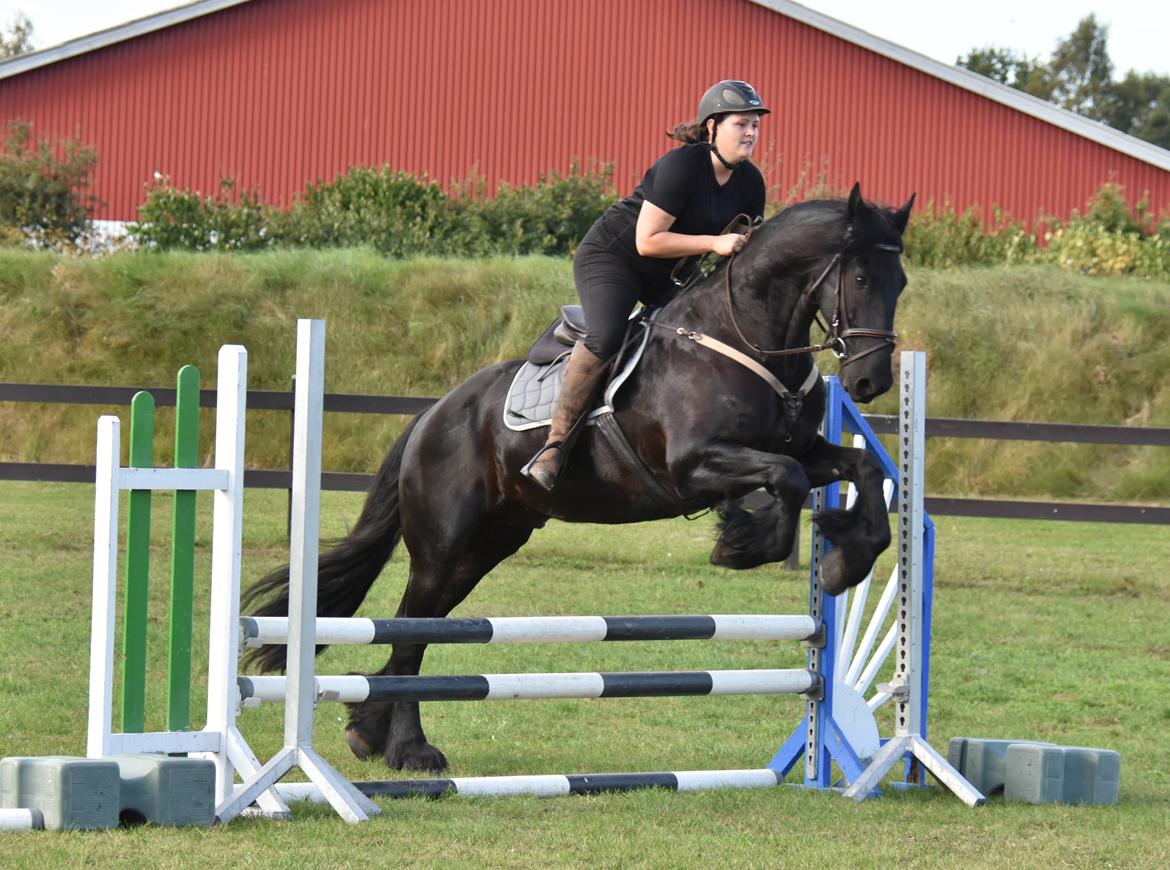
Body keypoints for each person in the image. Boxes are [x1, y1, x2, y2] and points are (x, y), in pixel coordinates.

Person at [522, 79, 770, 491]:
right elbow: (648, 241)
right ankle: (555, 445)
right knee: (606, 336)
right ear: (712, 128)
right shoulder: (680, 167)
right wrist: (713, 242)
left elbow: (745, 251)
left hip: (671, 274)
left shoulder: (751, 183)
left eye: (755, 126)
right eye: (741, 124)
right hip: (614, 258)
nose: (750, 133)